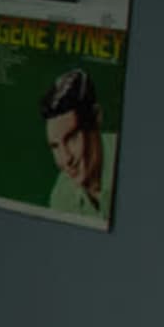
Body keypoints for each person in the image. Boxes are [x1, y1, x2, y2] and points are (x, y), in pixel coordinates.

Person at [43, 67, 116, 218]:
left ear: (96, 117)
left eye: (71, 138)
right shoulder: (61, 197)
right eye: (55, 146)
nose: (65, 159)